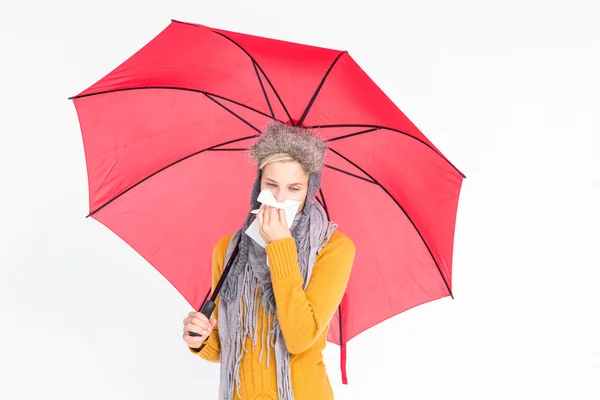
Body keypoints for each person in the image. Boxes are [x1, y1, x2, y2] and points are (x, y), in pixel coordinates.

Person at [182, 122, 356, 400]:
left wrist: (280, 246)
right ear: (257, 184)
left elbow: (299, 339)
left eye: (294, 189)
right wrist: (201, 339)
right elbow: (230, 348)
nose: (279, 198)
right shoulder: (230, 249)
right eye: (271, 185)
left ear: (309, 191)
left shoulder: (334, 249)